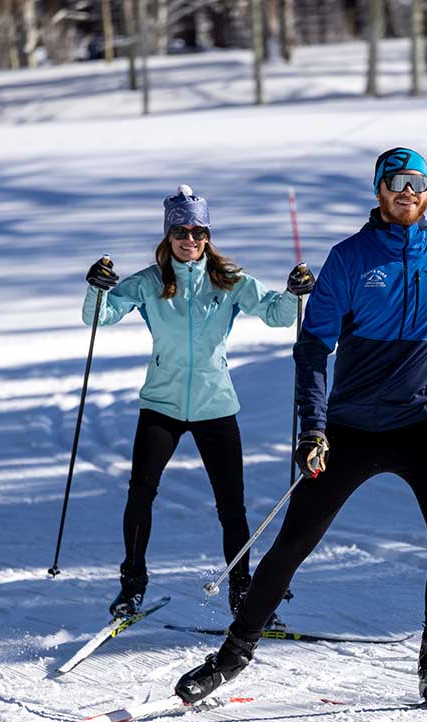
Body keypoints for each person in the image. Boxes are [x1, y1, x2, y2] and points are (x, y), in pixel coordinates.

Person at [173, 148, 427, 705]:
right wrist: (313, 427)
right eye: (395, 181)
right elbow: (313, 349)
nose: (407, 191)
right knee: (292, 544)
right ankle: (229, 659)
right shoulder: (350, 258)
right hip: (349, 428)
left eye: (417, 182)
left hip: (423, 418)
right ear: (379, 190)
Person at [82, 185, 316, 620]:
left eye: (198, 231)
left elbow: (277, 315)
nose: (190, 240)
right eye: (181, 232)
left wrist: (294, 291)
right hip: (162, 405)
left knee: (232, 507)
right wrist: (97, 288)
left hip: (216, 407)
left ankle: (243, 591)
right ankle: (132, 586)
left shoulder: (227, 281)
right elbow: (98, 315)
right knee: (140, 495)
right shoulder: (151, 282)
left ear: (208, 236)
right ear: (168, 236)